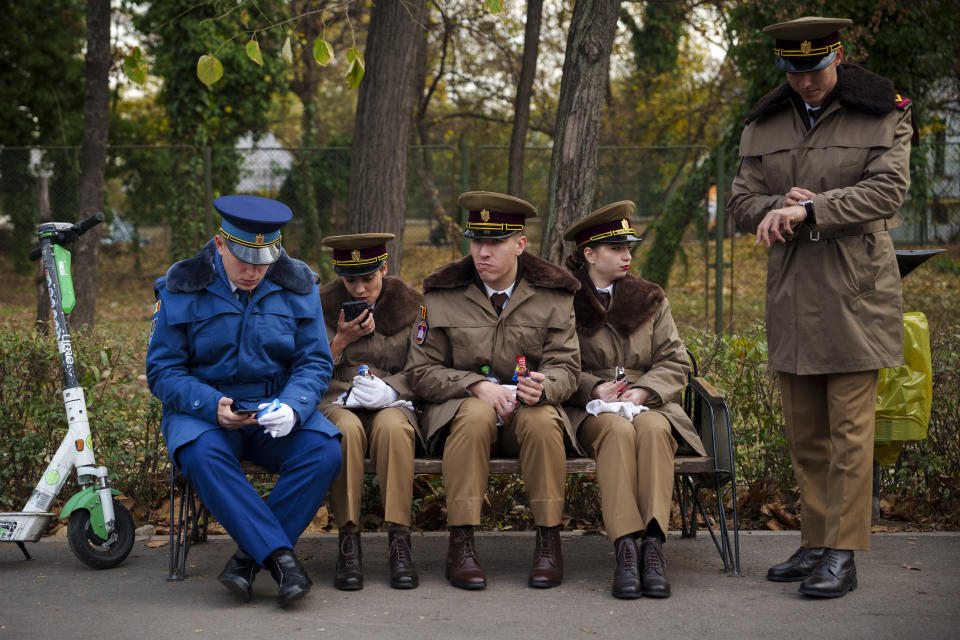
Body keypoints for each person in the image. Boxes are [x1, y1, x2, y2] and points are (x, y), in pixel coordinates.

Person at [727, 16, 915, 598]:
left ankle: (843, 551)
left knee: (851, 433)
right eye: (794, 72)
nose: (805, 83)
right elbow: (739, 201)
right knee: (806, 434)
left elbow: (888, 191)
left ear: (836, 57)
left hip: (856, 293)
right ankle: (815, 541)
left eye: (814, 70)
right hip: (792, 293)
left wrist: (813, 209)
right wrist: (773, 204)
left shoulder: (883, 109)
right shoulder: (764, 123)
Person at [146, 195, 342, 608]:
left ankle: (245, 562)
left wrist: (293, 406)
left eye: (264, 261)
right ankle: (280, 559)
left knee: (323, 451)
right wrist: (211, 404)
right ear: (220, 244)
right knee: (201, 455)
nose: (254, 271)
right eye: (243, 261)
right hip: (203, 413)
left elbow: (314, 361)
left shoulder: (298, 284)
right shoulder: (181, 287)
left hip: (273, 410)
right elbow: (163, 372)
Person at [407, 191, 581, 590]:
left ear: (520, 244)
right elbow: (419, 371)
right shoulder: (441, 294)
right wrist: (474, 384)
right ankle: (462, 543)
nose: (482, 252)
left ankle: (548, 541)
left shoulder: (554, 296)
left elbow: (567, 366)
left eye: (495, 242)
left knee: (541, 421)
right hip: (463, 410)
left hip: (527, 409)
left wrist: (545, 385)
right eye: (476, 241)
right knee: (474, 414)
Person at [560, 201, 705, 599]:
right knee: (615, 432)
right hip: (591, 407)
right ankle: (625, 547)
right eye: (616, 249)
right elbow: (553, 363)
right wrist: (591, 388)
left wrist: (643, 392)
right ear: (589, 254)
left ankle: (653, 546)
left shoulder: (650, 298)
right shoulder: (562, 300)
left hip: (649, 399)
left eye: (629, 248)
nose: (627, 256)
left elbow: (675, 360)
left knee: (656, 431)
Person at [318, 233, 423, 591]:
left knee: (394, 429)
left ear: (384, 268)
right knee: (344, 431)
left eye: (368, 278)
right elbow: (306, 369)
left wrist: (393, 389)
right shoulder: (321, 306)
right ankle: (349, 542)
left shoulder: (412, 306)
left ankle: (399, 539)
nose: (360, 289)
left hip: (393, 398)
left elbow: (424, 365)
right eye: (350, 281)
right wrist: (340, 342)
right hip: (338, 398)